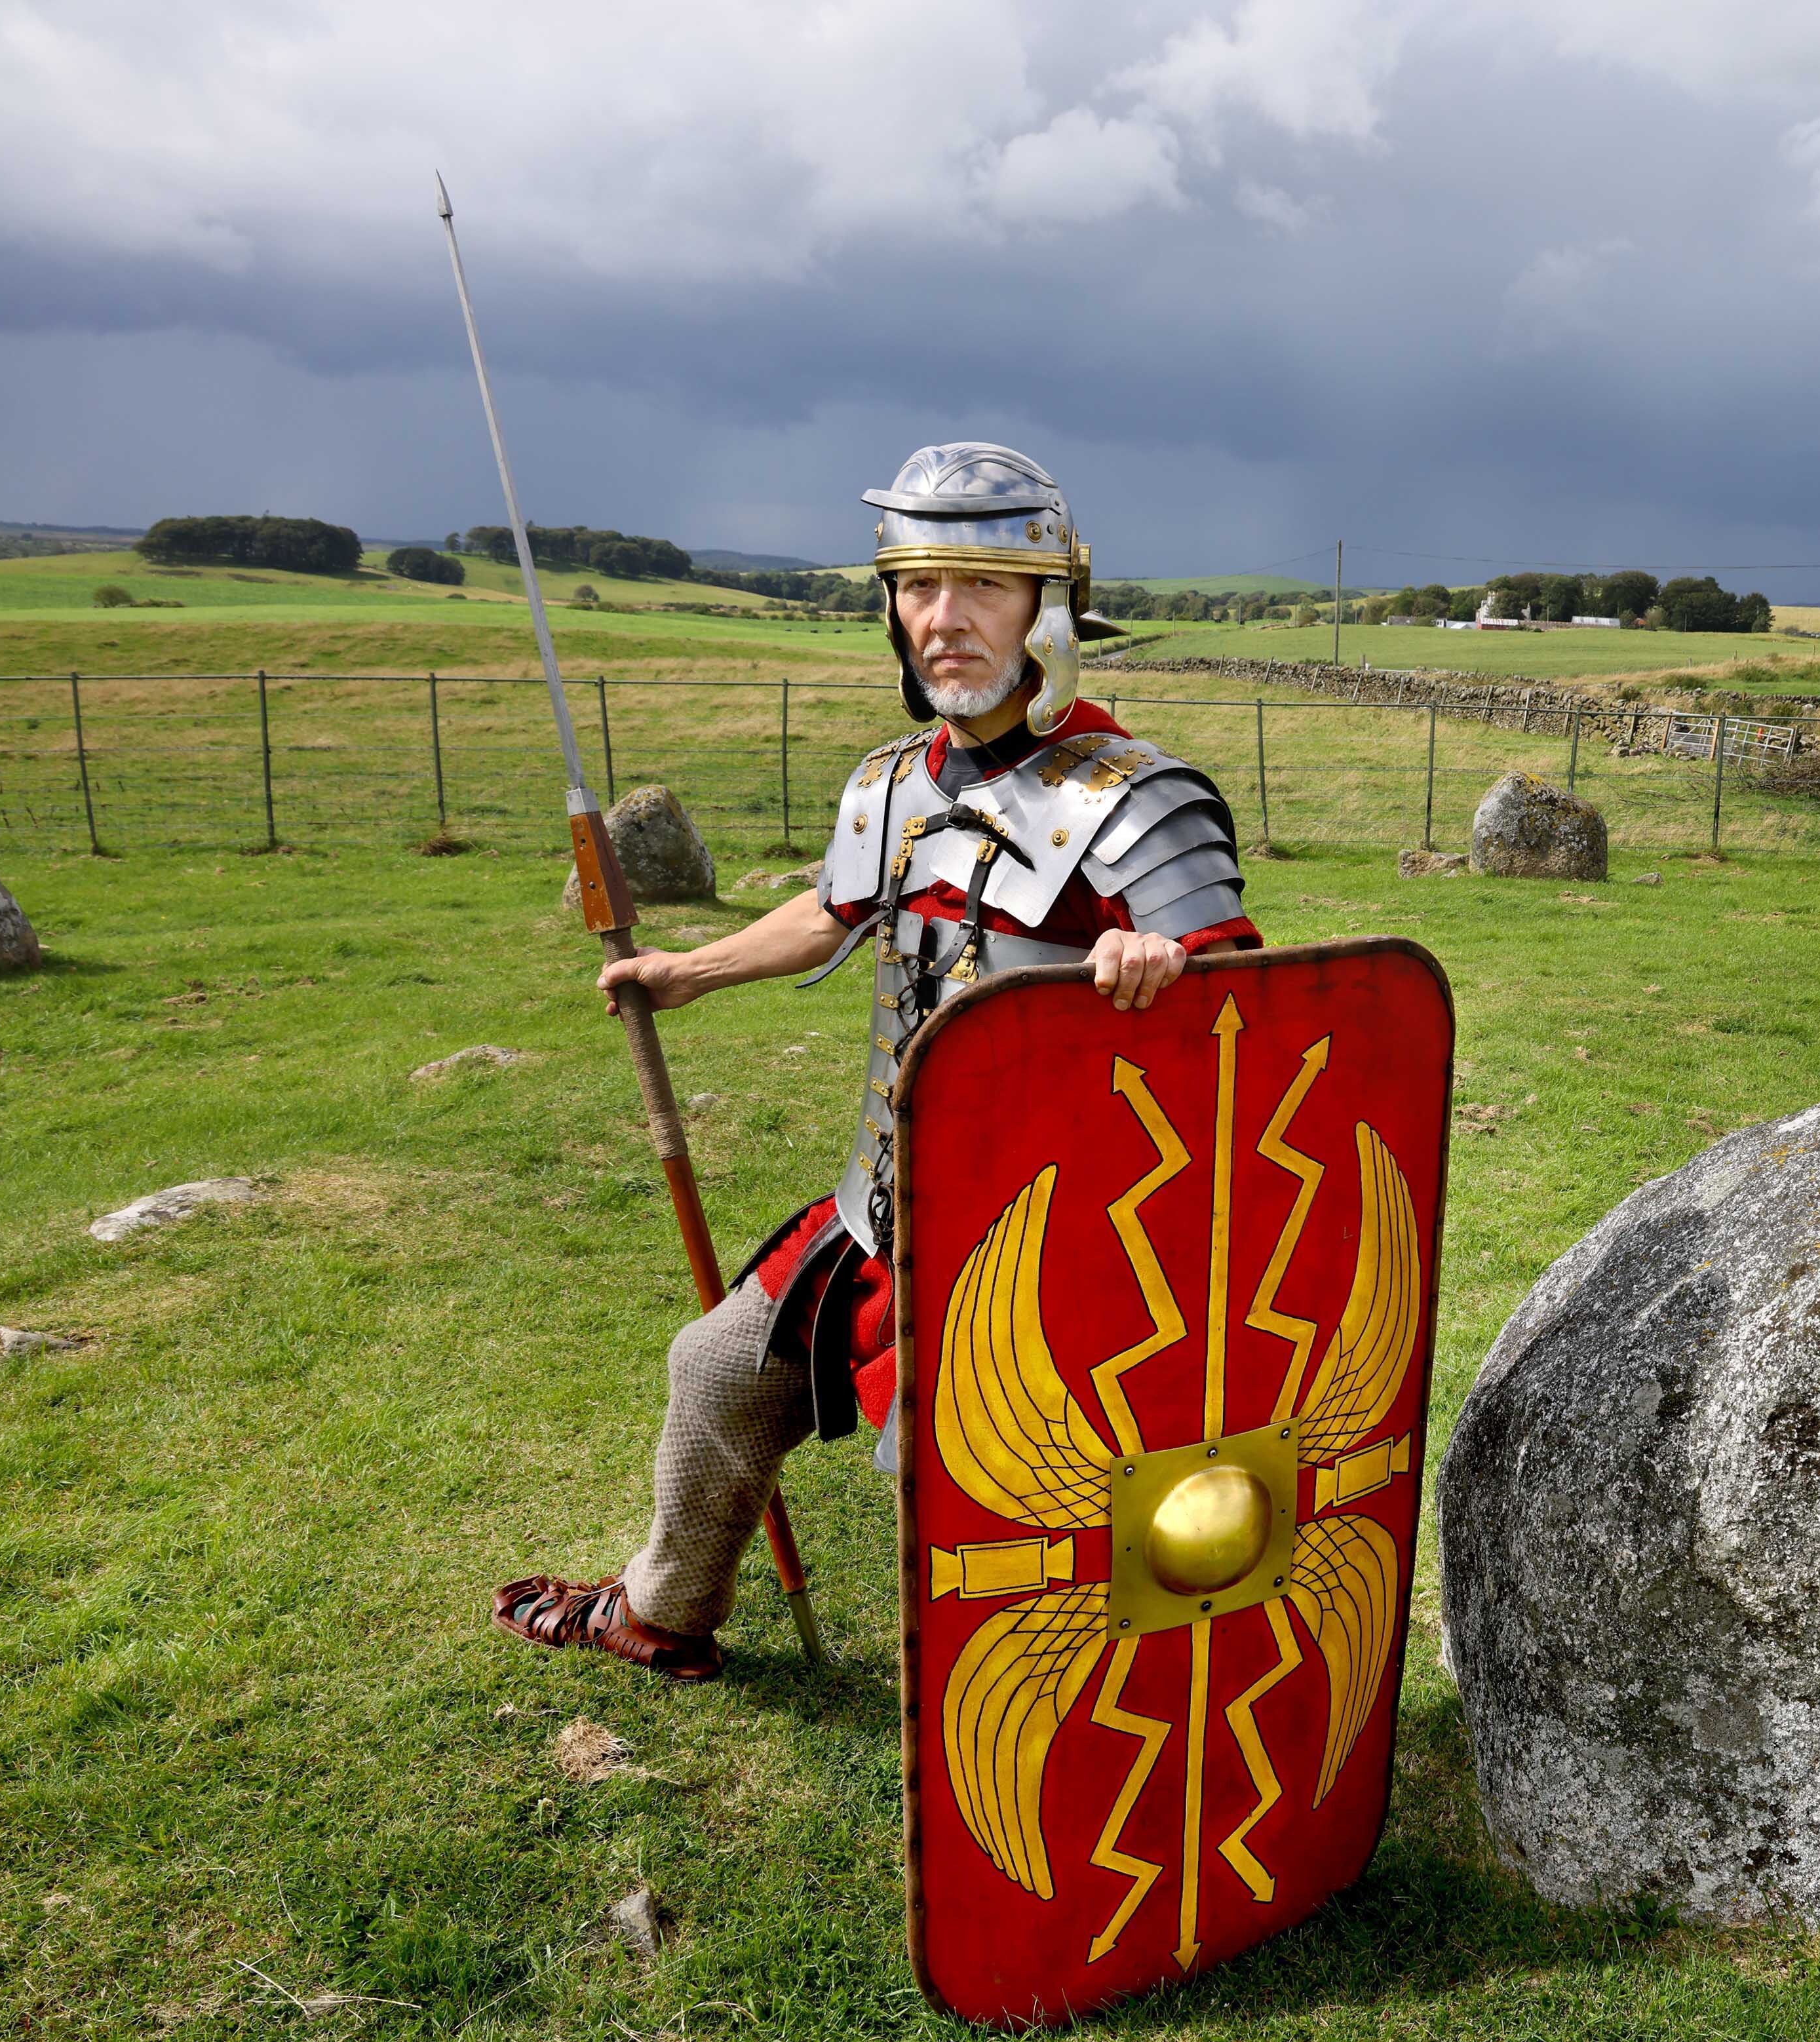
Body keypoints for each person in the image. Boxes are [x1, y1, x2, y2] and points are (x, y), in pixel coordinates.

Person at [493, 443, 1254, 1680]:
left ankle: (1035, 1699)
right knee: (722, 1367)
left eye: (980, 587)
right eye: (915, 587)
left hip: (1051, 1232)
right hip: (890, 1202)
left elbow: (1239, 997)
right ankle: (662, 1609)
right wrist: (689, 971)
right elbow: (833, 910)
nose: (942, 620)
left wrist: (1158, 967)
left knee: (969, 1476)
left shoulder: (1136, 798)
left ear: (1050, 607)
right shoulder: (894, 784)